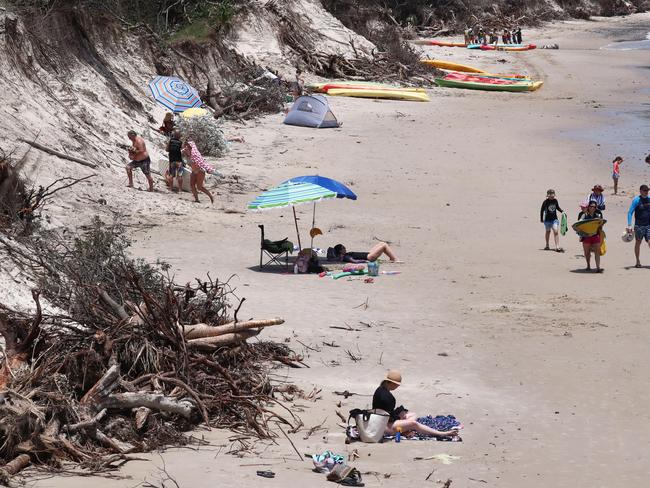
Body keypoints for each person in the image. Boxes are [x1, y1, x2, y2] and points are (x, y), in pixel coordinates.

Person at [372, 370, 458, 438]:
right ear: (391, 383)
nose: (397, 387)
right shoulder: (386, 396)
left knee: (411, 414)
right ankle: (441, 434)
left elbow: (385, 412)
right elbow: (388, 417)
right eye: (397, 385)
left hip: (380, 420)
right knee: (414, 423)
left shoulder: (380, 390)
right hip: (384, 426)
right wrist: (399, 416)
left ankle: (404, 430)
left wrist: (399, 414)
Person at [182, 140, 214, 204]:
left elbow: (200, 162)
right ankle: (196, 199)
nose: (186, 147)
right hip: (194, 171)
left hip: (200, 171)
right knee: (192, 185)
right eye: (186, 146)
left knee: (199, 187)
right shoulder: (186, 153)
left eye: (188, 146)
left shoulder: (195, 155)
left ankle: (211, 196)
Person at [626, 184, 650, 268]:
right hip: (639, 226)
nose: (646, 192)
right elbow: (630, 212)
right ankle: (637, 261)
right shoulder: (636, 200)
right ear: (640, 191)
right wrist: (629, 225)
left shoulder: (649, 199)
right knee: (638, 243)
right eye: (644, 190)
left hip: (648, 225)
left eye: (647, 190)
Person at [577, 201, 604, 272]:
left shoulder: (598, 215)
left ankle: (598, 268)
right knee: (587, 253)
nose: (592, 208)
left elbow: (601, 224)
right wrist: (580, 233)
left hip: (595, 235)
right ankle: (588, 265)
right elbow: (579, 224)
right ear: (588, 207)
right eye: (591, 206)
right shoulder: (584, 215)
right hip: (586, 236)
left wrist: (601, 233)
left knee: (597, 252)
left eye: (594, 207)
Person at [330, 242, 398, 263]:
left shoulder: (344, 255)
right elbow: (354, 261)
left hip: (368, 254)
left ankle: (392, 258)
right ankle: (394, 259)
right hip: (369, 257)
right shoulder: (345, 256)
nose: (345, 248)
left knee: (382, 243)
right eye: (343, 248)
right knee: (384, 245)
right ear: (340, 251)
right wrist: (365, 261)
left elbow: (330, 255)